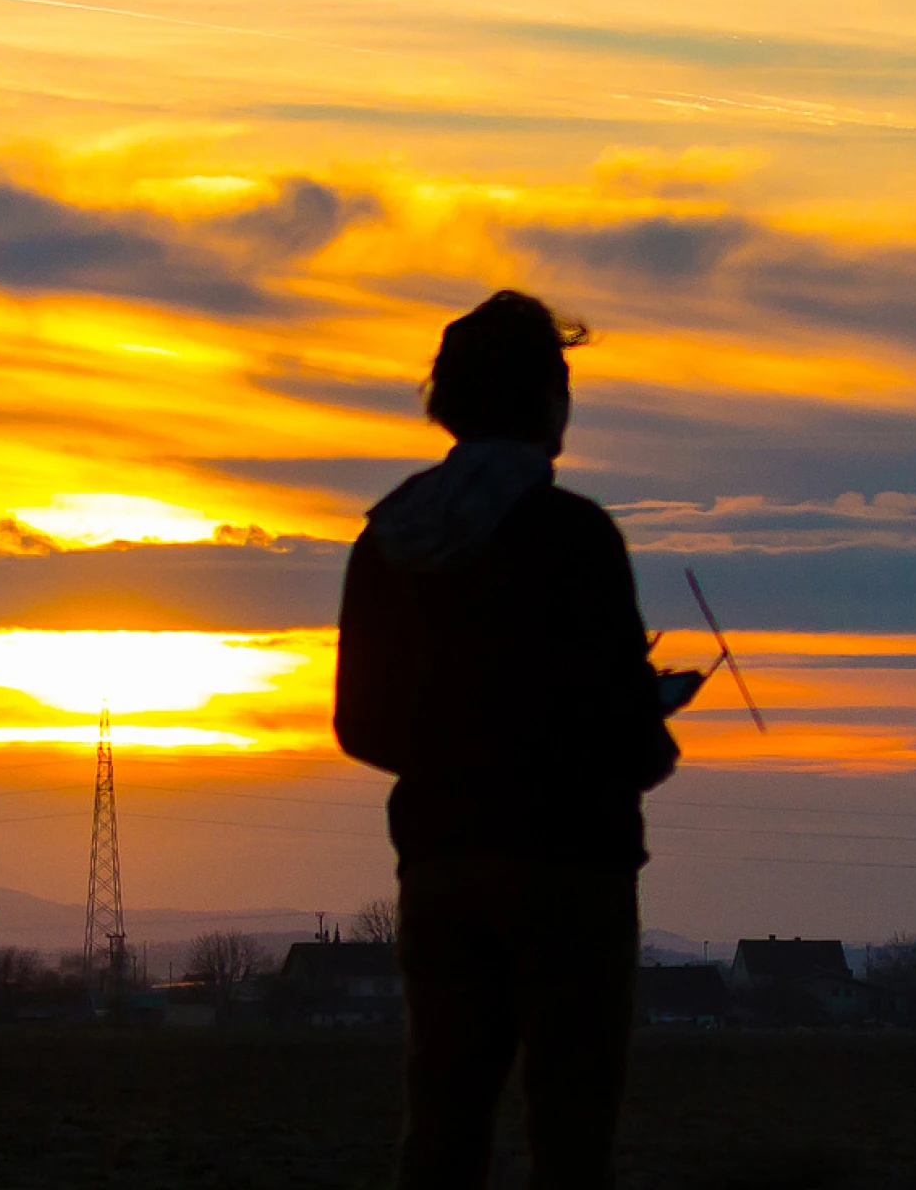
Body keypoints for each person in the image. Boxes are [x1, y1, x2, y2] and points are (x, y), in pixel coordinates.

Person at [336, 290, 703, 1190]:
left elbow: (360, 724)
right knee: (571, 1136)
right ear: (546, 398)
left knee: (442, 1130)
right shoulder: (574, 537)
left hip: (440, 867)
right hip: (571, 872)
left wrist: (457, 758)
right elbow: (623, 727)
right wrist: (647, 734)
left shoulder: (389, 540)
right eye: (563, 381)